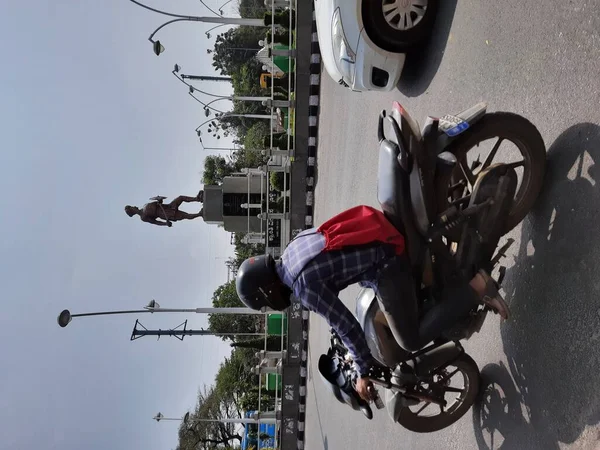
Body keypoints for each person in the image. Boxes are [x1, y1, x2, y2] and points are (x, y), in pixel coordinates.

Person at [235, 205, 509, 402]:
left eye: (266, 303)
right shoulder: (292, 250)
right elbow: (329, 271)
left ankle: (478, 288)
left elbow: (346, 326)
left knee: (410, 339)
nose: (271, 306)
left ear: (267, 292)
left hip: (386, 263)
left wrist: (363, 373)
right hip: (378, 231)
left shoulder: (303, 288)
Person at [124, 190, 204, 227]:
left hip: (168, 207)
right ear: (132, 211)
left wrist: (159, 200)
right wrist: (165, 224)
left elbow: (160, 203)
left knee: (180, 198)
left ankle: (198, 199)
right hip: (166, 214)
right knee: (185, 215)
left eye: (131, 206)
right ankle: (200, 214)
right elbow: (155, 222)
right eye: (131, 207)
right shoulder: (143, 217)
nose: (133, 206)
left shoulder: (145, 205)